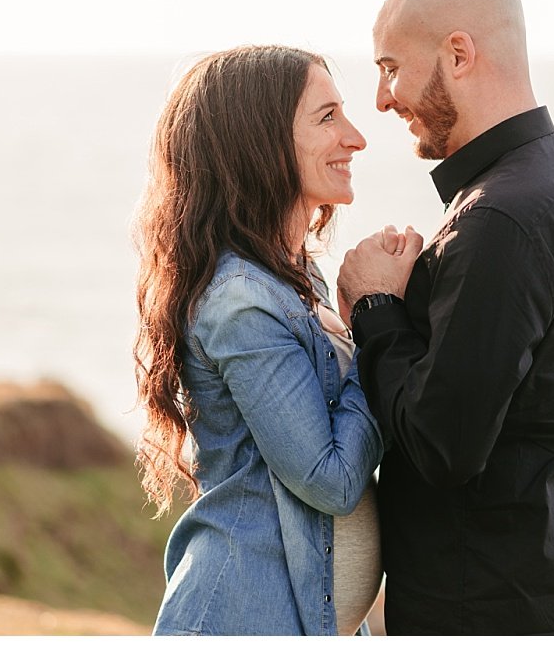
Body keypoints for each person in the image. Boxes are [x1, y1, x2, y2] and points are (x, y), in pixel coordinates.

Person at [337, 0, 554, 635]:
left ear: (458, 54)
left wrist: (375, 307)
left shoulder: (501, 215)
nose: (382, 99)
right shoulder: (548, 179)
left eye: (389, 68)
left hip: (491, 612)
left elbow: (442, 447)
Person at [133, 44, 384, 636]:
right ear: (261, 143)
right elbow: (332, 479)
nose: (356, 137)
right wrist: (378, 325)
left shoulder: (300, 277)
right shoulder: (241, 301)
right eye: (327, 117)